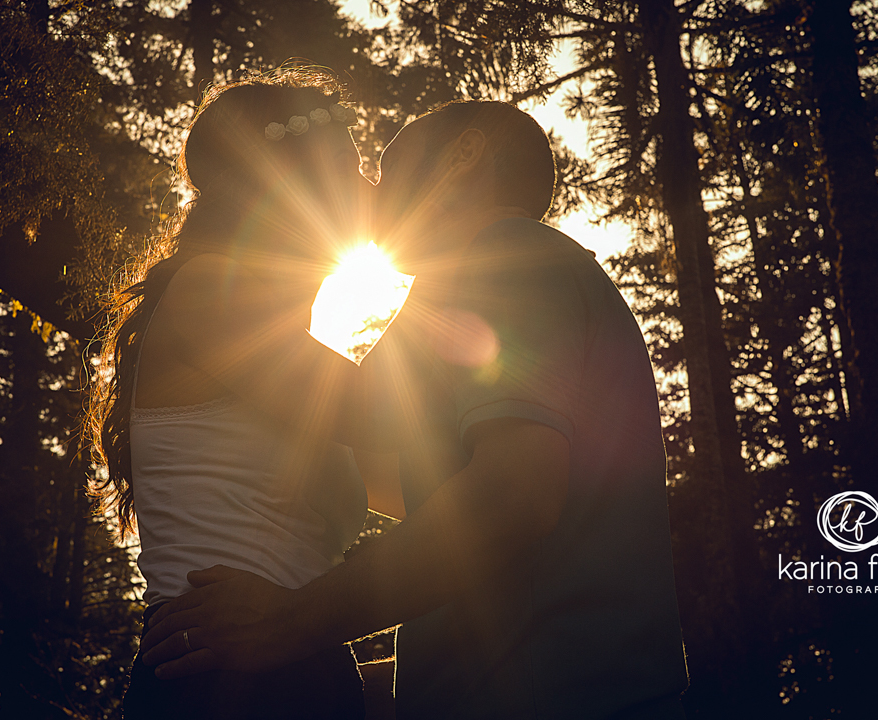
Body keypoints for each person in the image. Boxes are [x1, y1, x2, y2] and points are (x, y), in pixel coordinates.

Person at [140, 100, 691, 719]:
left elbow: (506, 495)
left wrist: (295, 626)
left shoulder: (506, 257)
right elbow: (430, 492)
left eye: (385, 164)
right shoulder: (473, 290)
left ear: (464, 154)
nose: (371, 191)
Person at [86, 69, 375, 719]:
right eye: (346, 168)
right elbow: (396, 422)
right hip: (219, 677)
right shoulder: (213, 291)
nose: (368, 190)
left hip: (293, 664)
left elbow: (431, 477)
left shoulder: (284, 340)